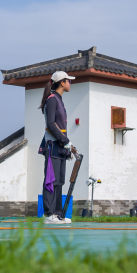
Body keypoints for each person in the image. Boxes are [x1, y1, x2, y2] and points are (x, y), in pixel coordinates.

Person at [39, 71, 78, 224]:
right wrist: (65, 140)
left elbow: (60, 126)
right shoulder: (52, 100)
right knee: (51, 180)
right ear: (62, 82)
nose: (70, 83)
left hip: (61, 146)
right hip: (53, 146)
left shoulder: (59, 100)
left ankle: (57, 214)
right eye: (68, 80)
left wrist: (68, 144)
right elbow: (51, 124)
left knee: (60, 180)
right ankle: (49, 214)